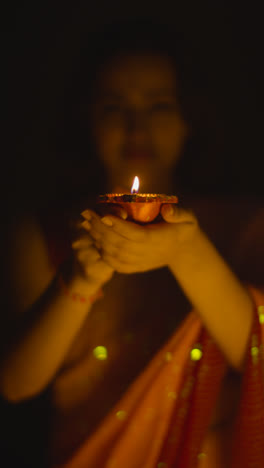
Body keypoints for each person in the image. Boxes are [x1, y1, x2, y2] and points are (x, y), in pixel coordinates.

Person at [0, 18, 263, 468]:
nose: (136, 127)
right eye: (114, 107)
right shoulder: (46, 232)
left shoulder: (243, 225)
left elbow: (255, 354)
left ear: (188, 120)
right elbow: (16, 385)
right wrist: (80, 277)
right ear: (87, 120)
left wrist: (186, 251)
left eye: (159, 106)